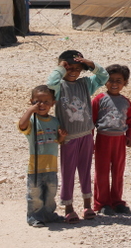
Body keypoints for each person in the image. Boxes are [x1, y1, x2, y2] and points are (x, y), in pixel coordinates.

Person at [47, 50, 109, 224]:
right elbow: (50, 83)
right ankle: (68, 207)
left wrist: (90, 64)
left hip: (86, 135)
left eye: (77, 68)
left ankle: (87, 205)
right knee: (68, 172)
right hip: (69, 138)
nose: (73, 71)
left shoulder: (86, 84)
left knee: (85, 171)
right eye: (69, 68)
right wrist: (60, 68)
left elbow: (103, 77)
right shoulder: (59, 87)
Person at [18, 85, 67, 228]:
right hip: (36, 167)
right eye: (38, 102)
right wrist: (29, 111)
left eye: (46, 102)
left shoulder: (54, 121)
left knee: (50, 193)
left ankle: (48, 214)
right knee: (35, 194)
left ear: (53, 103)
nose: (42, 105)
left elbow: (58, 140)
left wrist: (62, 136)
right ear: (31, 101)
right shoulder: (32, 121)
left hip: (51, 165)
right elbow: (22, 126)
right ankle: (34, 217)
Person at [92, 64, 131, 215]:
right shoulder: (99, 99)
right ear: (105, 82)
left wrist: (129, 136)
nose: (114, 84)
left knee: (118, 171)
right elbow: (92, 121)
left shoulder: (126, 102)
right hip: (103, 139)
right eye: (111, 80)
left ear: (125, 83)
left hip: (119, 141)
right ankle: (102, 203)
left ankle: (117, 201)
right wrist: (90, 141)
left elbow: (130, 121)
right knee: (102, 172)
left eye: (119, 80)